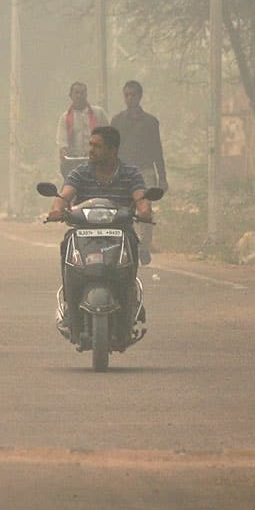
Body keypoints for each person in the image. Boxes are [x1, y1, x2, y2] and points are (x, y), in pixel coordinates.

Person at [46, 126, 153, 327]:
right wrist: (57, 209)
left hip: (119, 232)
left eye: (97, 146)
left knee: (132, 241)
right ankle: (70, 301)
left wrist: (144, 209)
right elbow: (65, 195)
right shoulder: (81, 172)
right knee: (67, 242)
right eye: (91, 145)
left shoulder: (130, 173)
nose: (91, 150)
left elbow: (141, 198)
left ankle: (130, 296)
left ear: (113, 150)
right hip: (85, 233)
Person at [111, 80, 167, 265]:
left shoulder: (150, 122)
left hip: (145, 171)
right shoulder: (117, 121)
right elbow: (112, 149)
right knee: (124, 211)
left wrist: (162, 177)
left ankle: (144, 247)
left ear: (140, 96)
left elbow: (157, 150)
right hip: (123, 172)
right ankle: (128, 245)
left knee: (146, 210)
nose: (130, 98)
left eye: (133, 95)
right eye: (126, 95)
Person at [56, 82, 108, 179]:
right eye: (76, 93)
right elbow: (62, 142)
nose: (79, 96)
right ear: (70, 95)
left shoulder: (99, 113)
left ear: (86, 95)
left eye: (82, 93)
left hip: (97, 162)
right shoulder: (65, 118)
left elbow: (108, 136)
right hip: (74, 163)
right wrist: (63, 152)